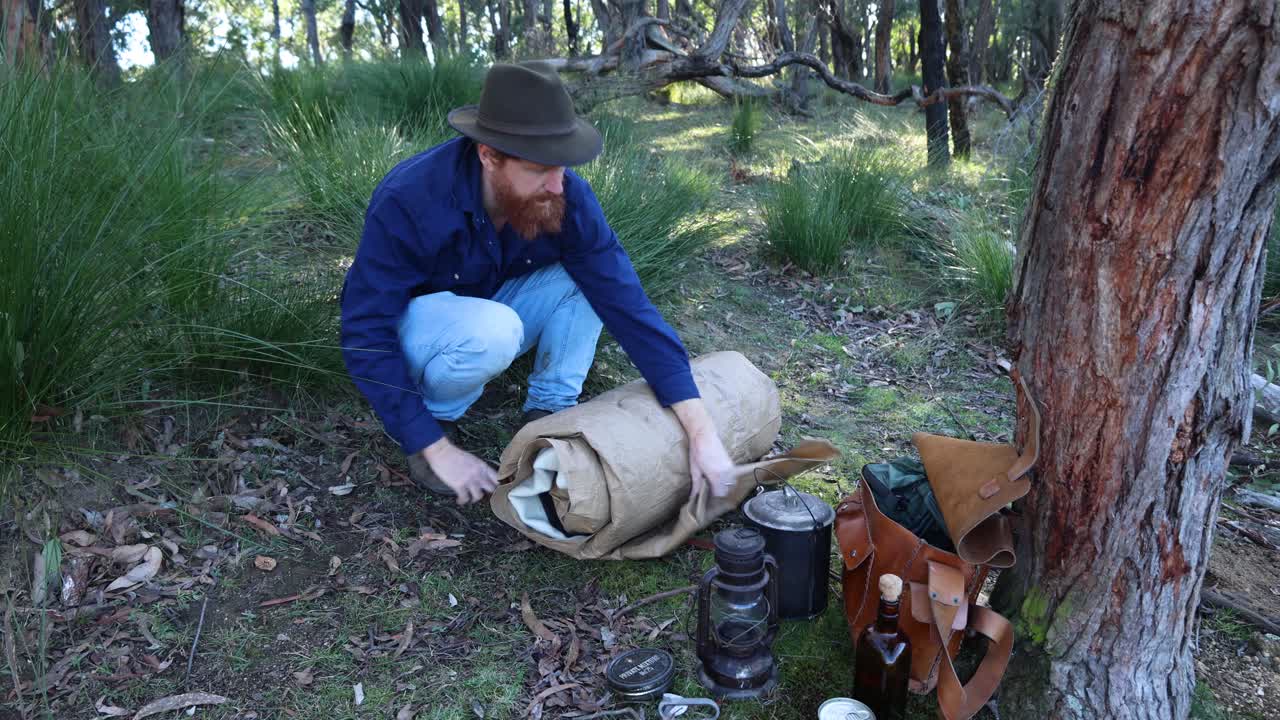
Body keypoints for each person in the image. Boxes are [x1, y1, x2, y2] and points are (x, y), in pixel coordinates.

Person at [340, 61, 738, 506]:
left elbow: (627, 304)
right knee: (493, 329)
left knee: (584, 281)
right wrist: (431, 445)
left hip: (486, 317)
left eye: (562, 166)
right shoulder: (410, 198)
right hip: (421, 339)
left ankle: (545, 415)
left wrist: (701, 431)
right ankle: (437, 419)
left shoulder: (566, 196)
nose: (557, 184)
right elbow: (365, 332)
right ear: (488, 156)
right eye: (539, 169)